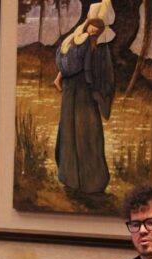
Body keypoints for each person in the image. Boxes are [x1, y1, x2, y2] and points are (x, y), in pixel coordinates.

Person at [53, 0, 115, 194]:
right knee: (76, 132)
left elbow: (102, 71)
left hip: (80, 93)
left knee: (84, 133)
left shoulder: (87, 40)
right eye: (93, 23)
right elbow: (74, 65)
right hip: (78, 92)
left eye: (98, 24)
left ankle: (85, 181)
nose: (94, 28)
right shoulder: (82, 40)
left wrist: (99, 93)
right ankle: (77, 180)